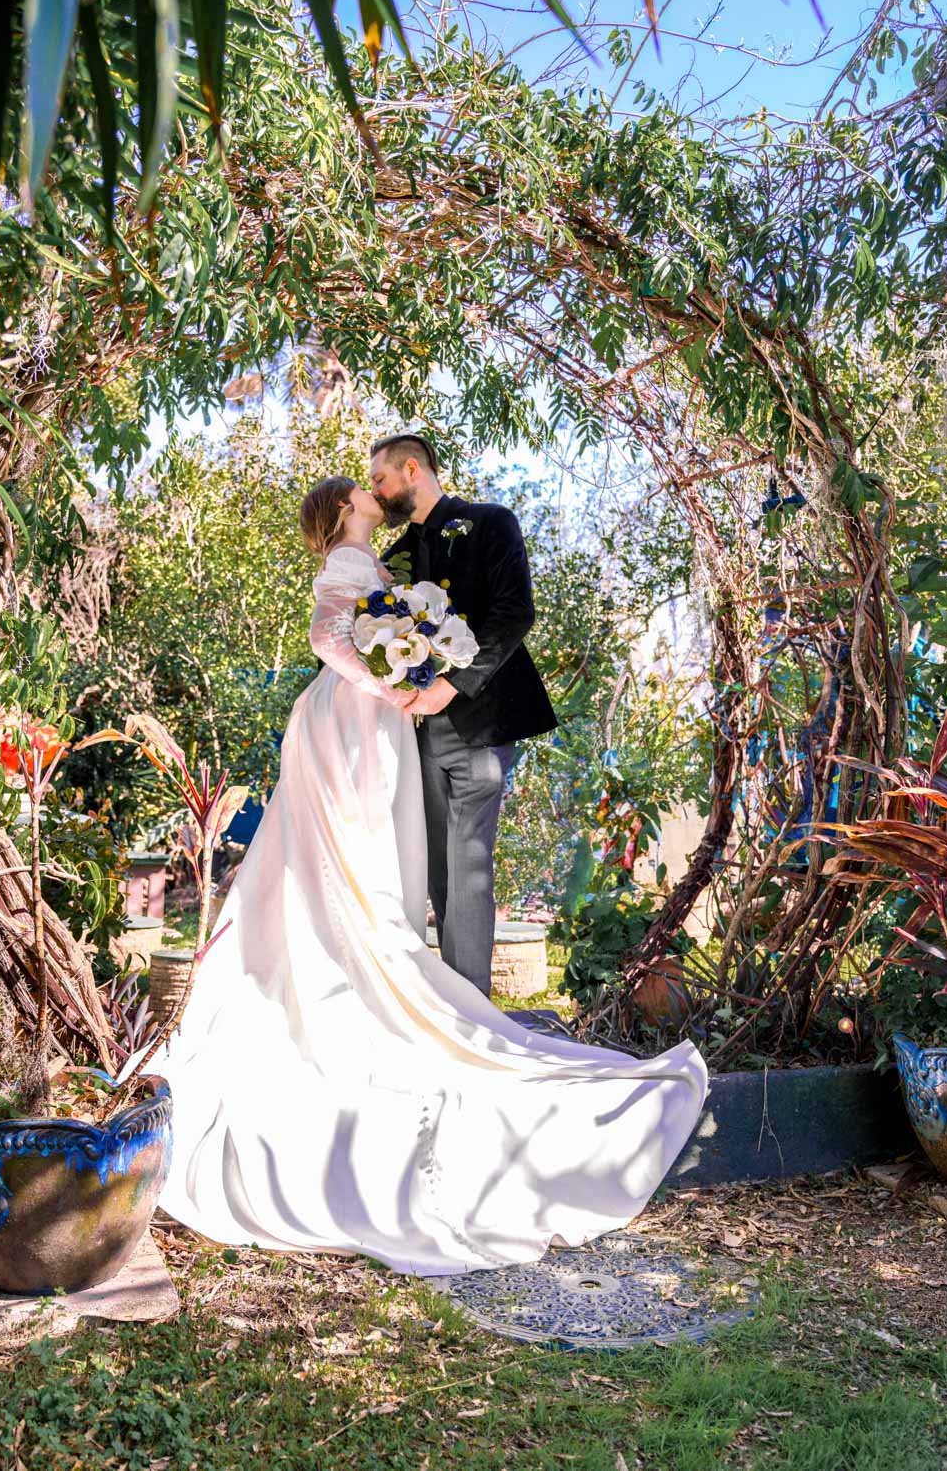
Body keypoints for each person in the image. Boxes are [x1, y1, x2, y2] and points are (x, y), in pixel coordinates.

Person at [119, 471, 708, 1277]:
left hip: (374, 721)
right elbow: (331, 640)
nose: (372, 493)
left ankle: (359, 954)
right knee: (342, 856)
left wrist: (411, 669)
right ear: (339, 511)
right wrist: (395, 681)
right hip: (346, 720)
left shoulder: (376, 558)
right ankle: (335, 967)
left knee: (369, 859)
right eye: (359, 491)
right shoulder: (344, 561)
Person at [370, 432, 556, 997]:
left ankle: (471, 1007)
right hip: (414, 731)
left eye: (380, 479)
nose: (376, 492)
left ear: (411, 470)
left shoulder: (491, 521)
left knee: (469, 863)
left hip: (477, 721)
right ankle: (452, 1002)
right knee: (438, 867)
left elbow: (514, 613)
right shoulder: (392, 557)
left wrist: (449, 688)